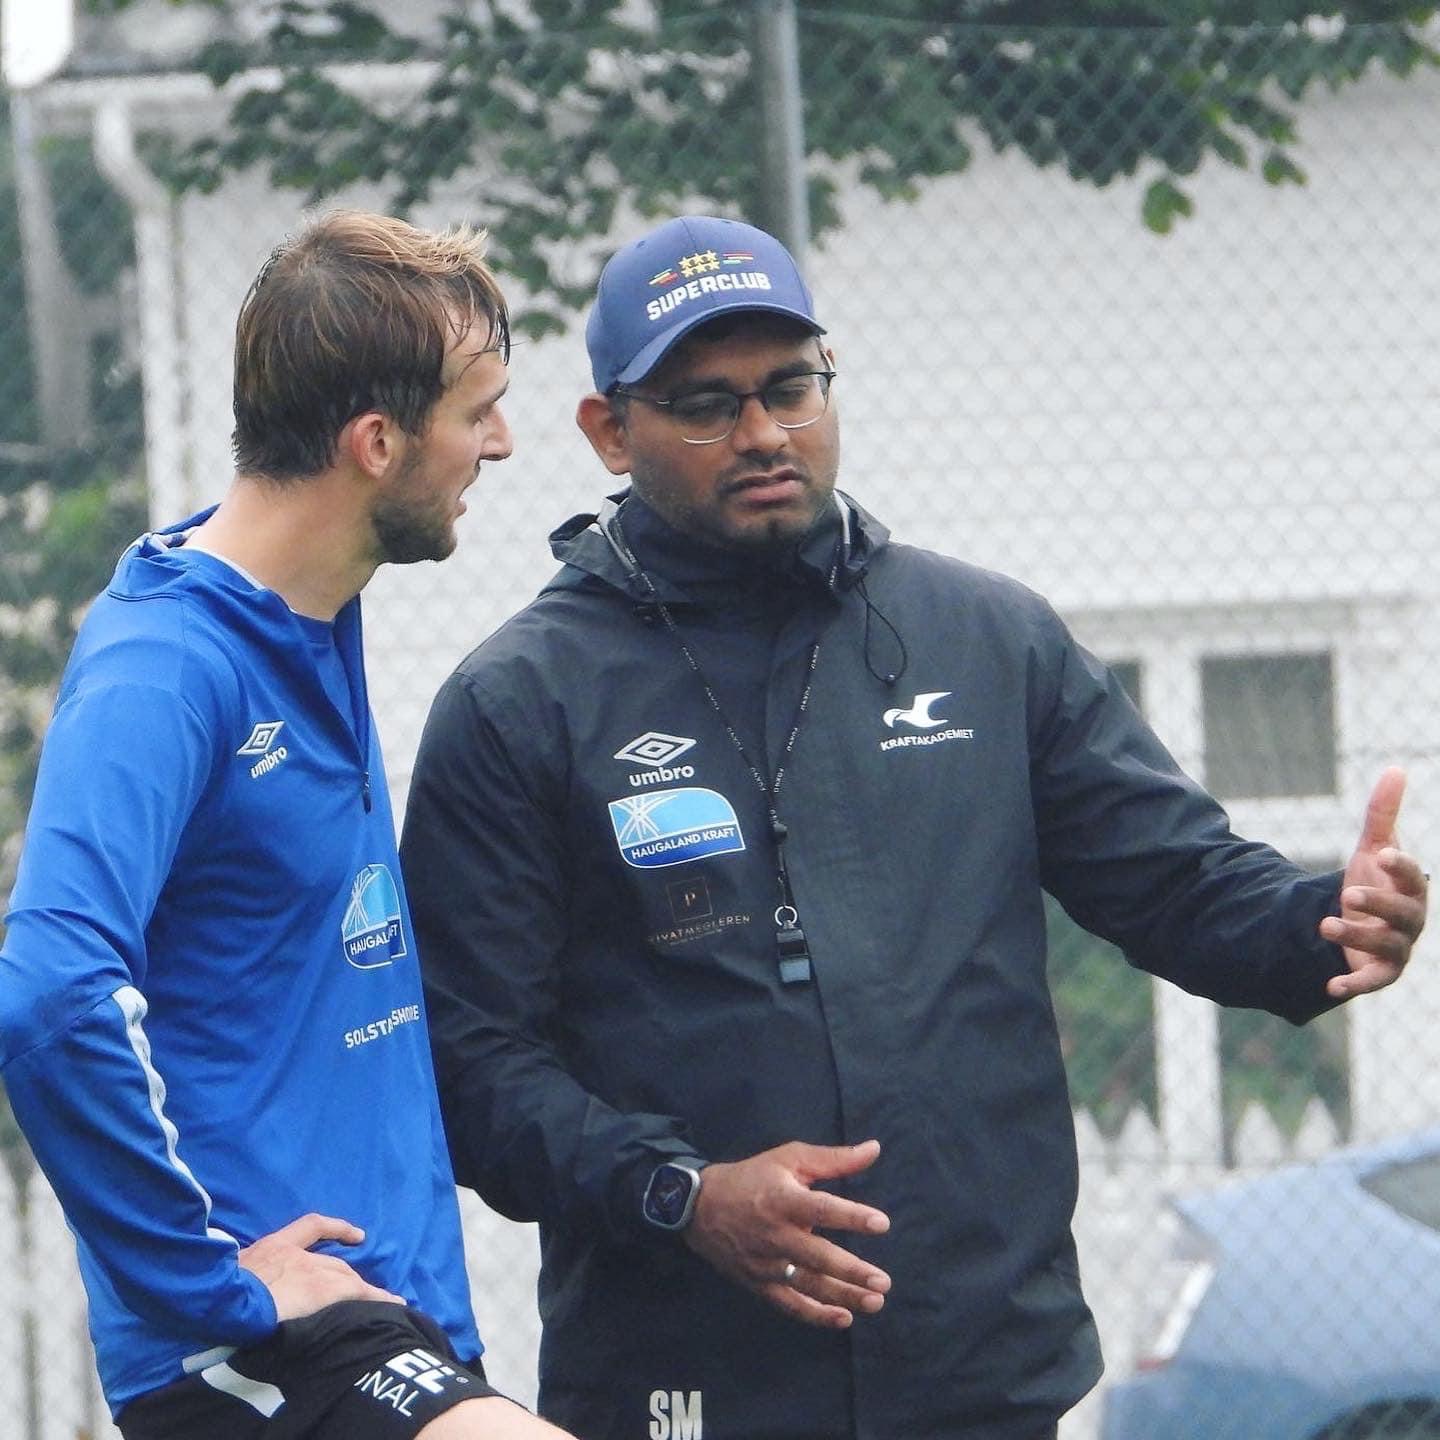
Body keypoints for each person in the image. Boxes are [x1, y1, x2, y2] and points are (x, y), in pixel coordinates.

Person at [398, 214, 1429, 1440]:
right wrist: (685, 1194)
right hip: (686, 1377)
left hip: (975, 1368)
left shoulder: (982, 639)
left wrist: (1321, 920)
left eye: (791, 388)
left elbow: (1179, 883)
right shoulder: (520, 704)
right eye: (707, 406)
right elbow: (472, 1063)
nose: (764, 433)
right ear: (609, 431)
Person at [0, 211, 577, 1440]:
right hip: (254, 1348)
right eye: (478, 412)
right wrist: (208, 1283)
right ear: (376, 443)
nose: (501, 443)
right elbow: (50, 995)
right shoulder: (166, 670)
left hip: (387, 1318)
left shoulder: (311, 611)